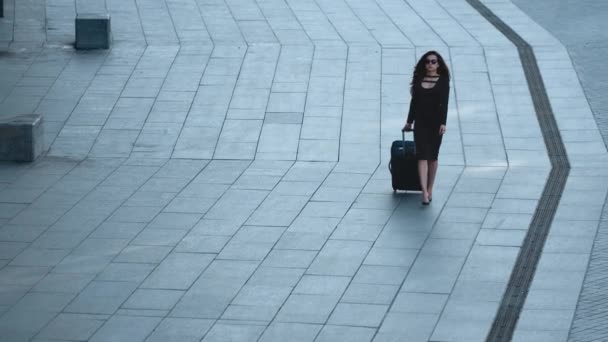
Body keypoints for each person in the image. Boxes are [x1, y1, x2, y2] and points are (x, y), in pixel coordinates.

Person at [402, 51, 450, 205]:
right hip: (421, 123)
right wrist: (409, 122)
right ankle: (423, 191)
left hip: (436, 124)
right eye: (428, 61)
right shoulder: (419, 79)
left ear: (438, 64)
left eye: (434, 61)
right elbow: (414, 103)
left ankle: (430, 188)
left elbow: (445, 103)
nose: (430, 64)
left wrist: (443, 122)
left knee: (433, 157)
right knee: (422, 156)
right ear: (424, 63)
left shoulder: (443, 81)